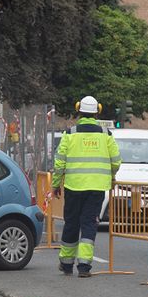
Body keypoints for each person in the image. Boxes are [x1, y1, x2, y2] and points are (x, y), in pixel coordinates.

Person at [51, 95, 120, 277]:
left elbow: (59, 163)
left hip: (73, 187)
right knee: (89, 224)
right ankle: (84, 267)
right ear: (97, 111)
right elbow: (116, 161)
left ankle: (66, 264)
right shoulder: (106, 135)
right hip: (96, 188)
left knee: (71, 223)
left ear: (78, 110)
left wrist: (56, 184)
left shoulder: (70, 133)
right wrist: (112, 177)